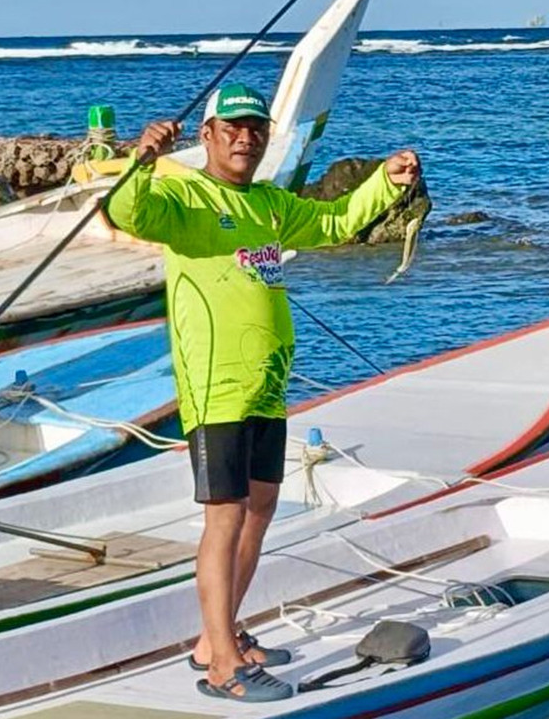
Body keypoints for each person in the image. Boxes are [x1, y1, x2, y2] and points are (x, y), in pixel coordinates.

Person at [103, 83, 421, 702]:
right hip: (216, 384)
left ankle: (215, 637)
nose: (245, 137)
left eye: (255, 128)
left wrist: (386, 180)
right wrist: (141, 160)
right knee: (224, 517)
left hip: (267, 382)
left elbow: (335, 223)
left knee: (262, 505)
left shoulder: (272, 205)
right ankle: (224, 666)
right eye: (233, 128)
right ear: (209, 136)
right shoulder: (185, 196)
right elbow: (128, 214)